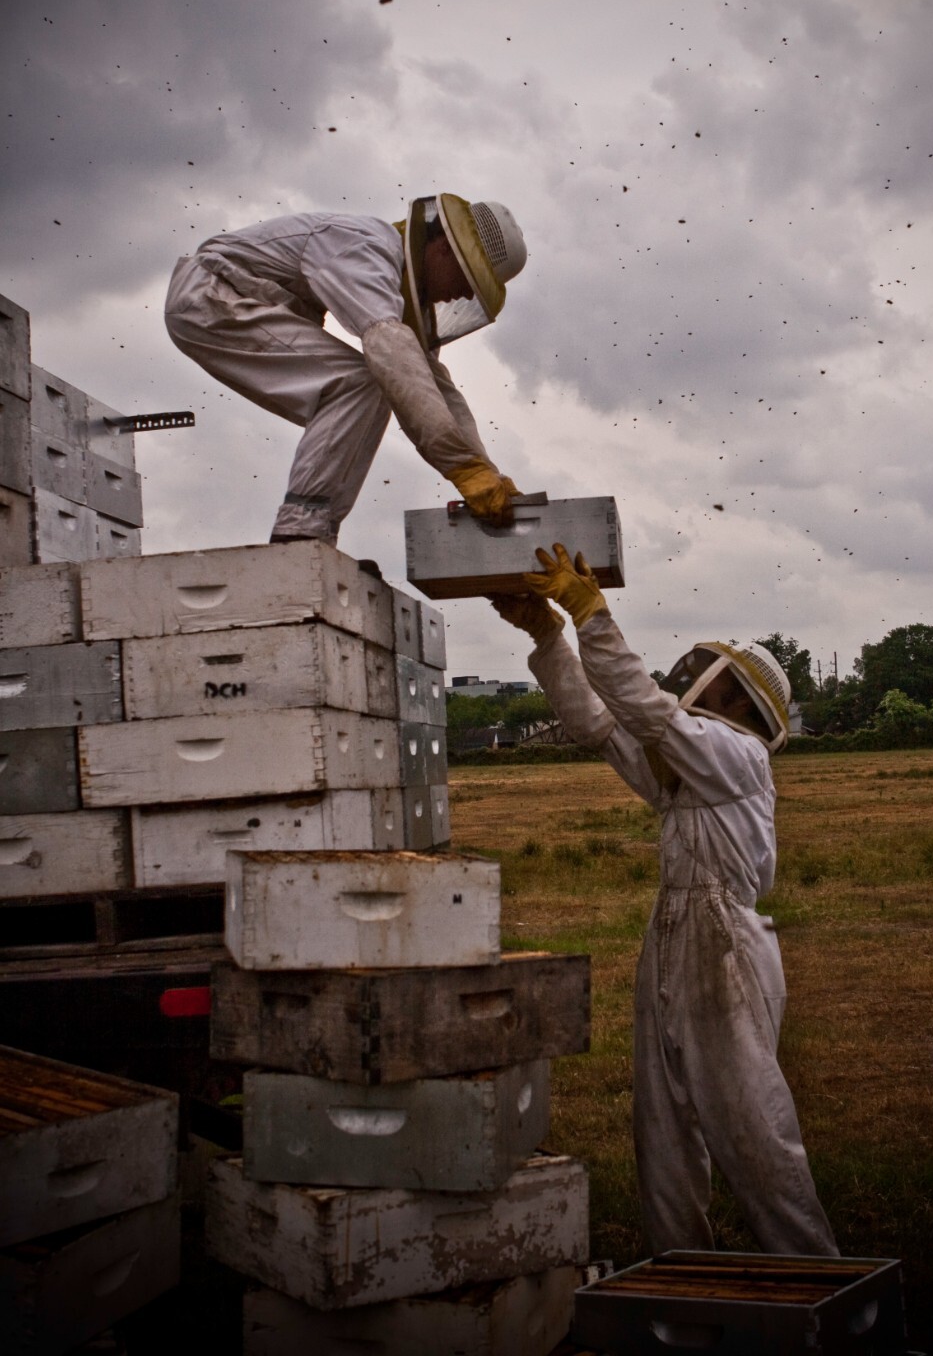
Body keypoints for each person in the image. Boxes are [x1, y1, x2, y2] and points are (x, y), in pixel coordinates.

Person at [493, 543, 838, 1257]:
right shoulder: (684, 770)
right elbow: (599, 725)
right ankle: (680, 1281)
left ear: (739, 699)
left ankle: (824, 1288)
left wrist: (592, 615)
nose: (692, 684)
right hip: (675, 934)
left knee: (752, 1131)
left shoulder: (736, 759)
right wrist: (549, 637)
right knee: (663, 1129)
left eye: (709, 682)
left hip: (725, 947)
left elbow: (644, 710)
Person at [164, 194, 526, 545]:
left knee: (375, 382)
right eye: (468, 280)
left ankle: (315, 532)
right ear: (445, 248)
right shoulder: (366, 247)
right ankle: (301, 530)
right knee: (362, 381)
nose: (463, 297)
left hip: (236, 302)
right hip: (212, 295)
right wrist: (463, 468)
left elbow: (433, 387)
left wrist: (485, 472)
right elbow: (389, 351)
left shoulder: (398, 288)